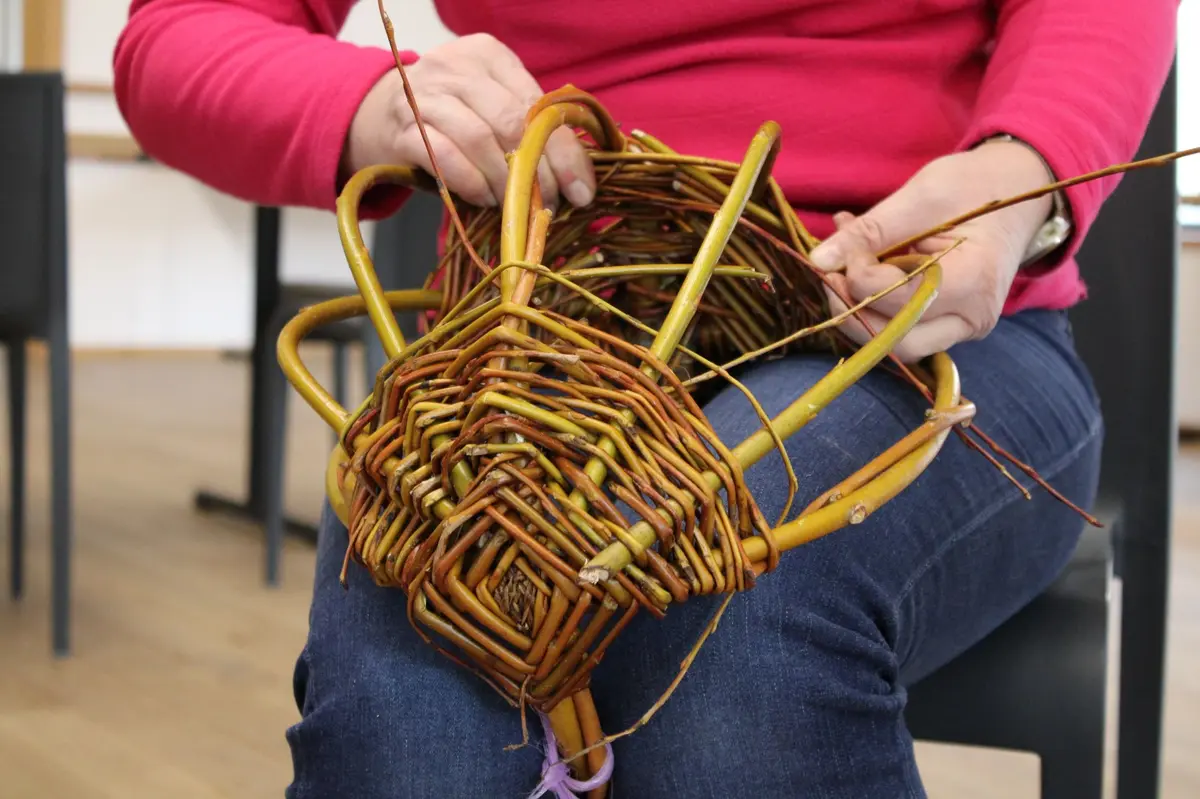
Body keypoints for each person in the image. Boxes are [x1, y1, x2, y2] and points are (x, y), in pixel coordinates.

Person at [113, 1, 1178, 796]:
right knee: (405, 715)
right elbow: (176, 36)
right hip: (538, 351)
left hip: (921, 333)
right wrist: (366, 101)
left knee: (734, 608)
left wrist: (1017, 181)